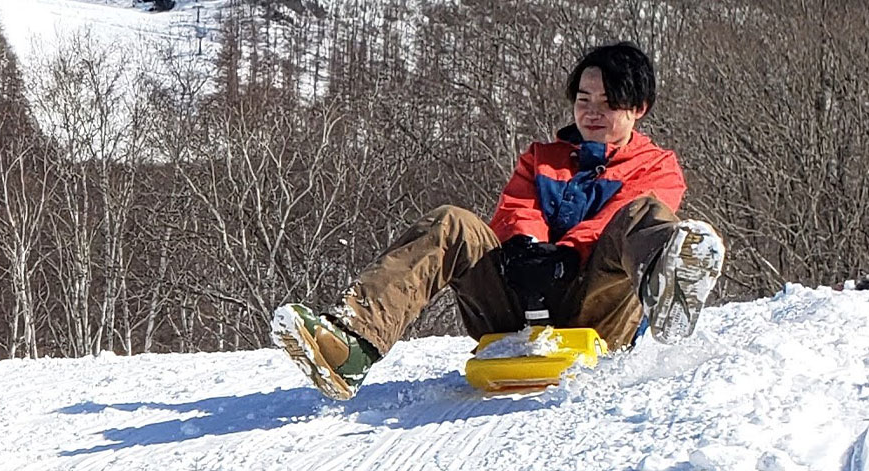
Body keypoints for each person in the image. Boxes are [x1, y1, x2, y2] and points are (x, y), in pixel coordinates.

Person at [273, 43, 726, 401]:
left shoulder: (657, 165)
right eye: (583, 100)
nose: (591, 112)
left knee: (644, 216)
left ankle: (669, 289)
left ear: (638, 108)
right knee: (452, 223)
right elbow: (515, 207)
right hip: (517, 299)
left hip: (598, 306)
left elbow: (618, 213)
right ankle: (352, 345)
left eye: (607, 104)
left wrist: (569, 253)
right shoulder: (541, 158)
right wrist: (526, 245)